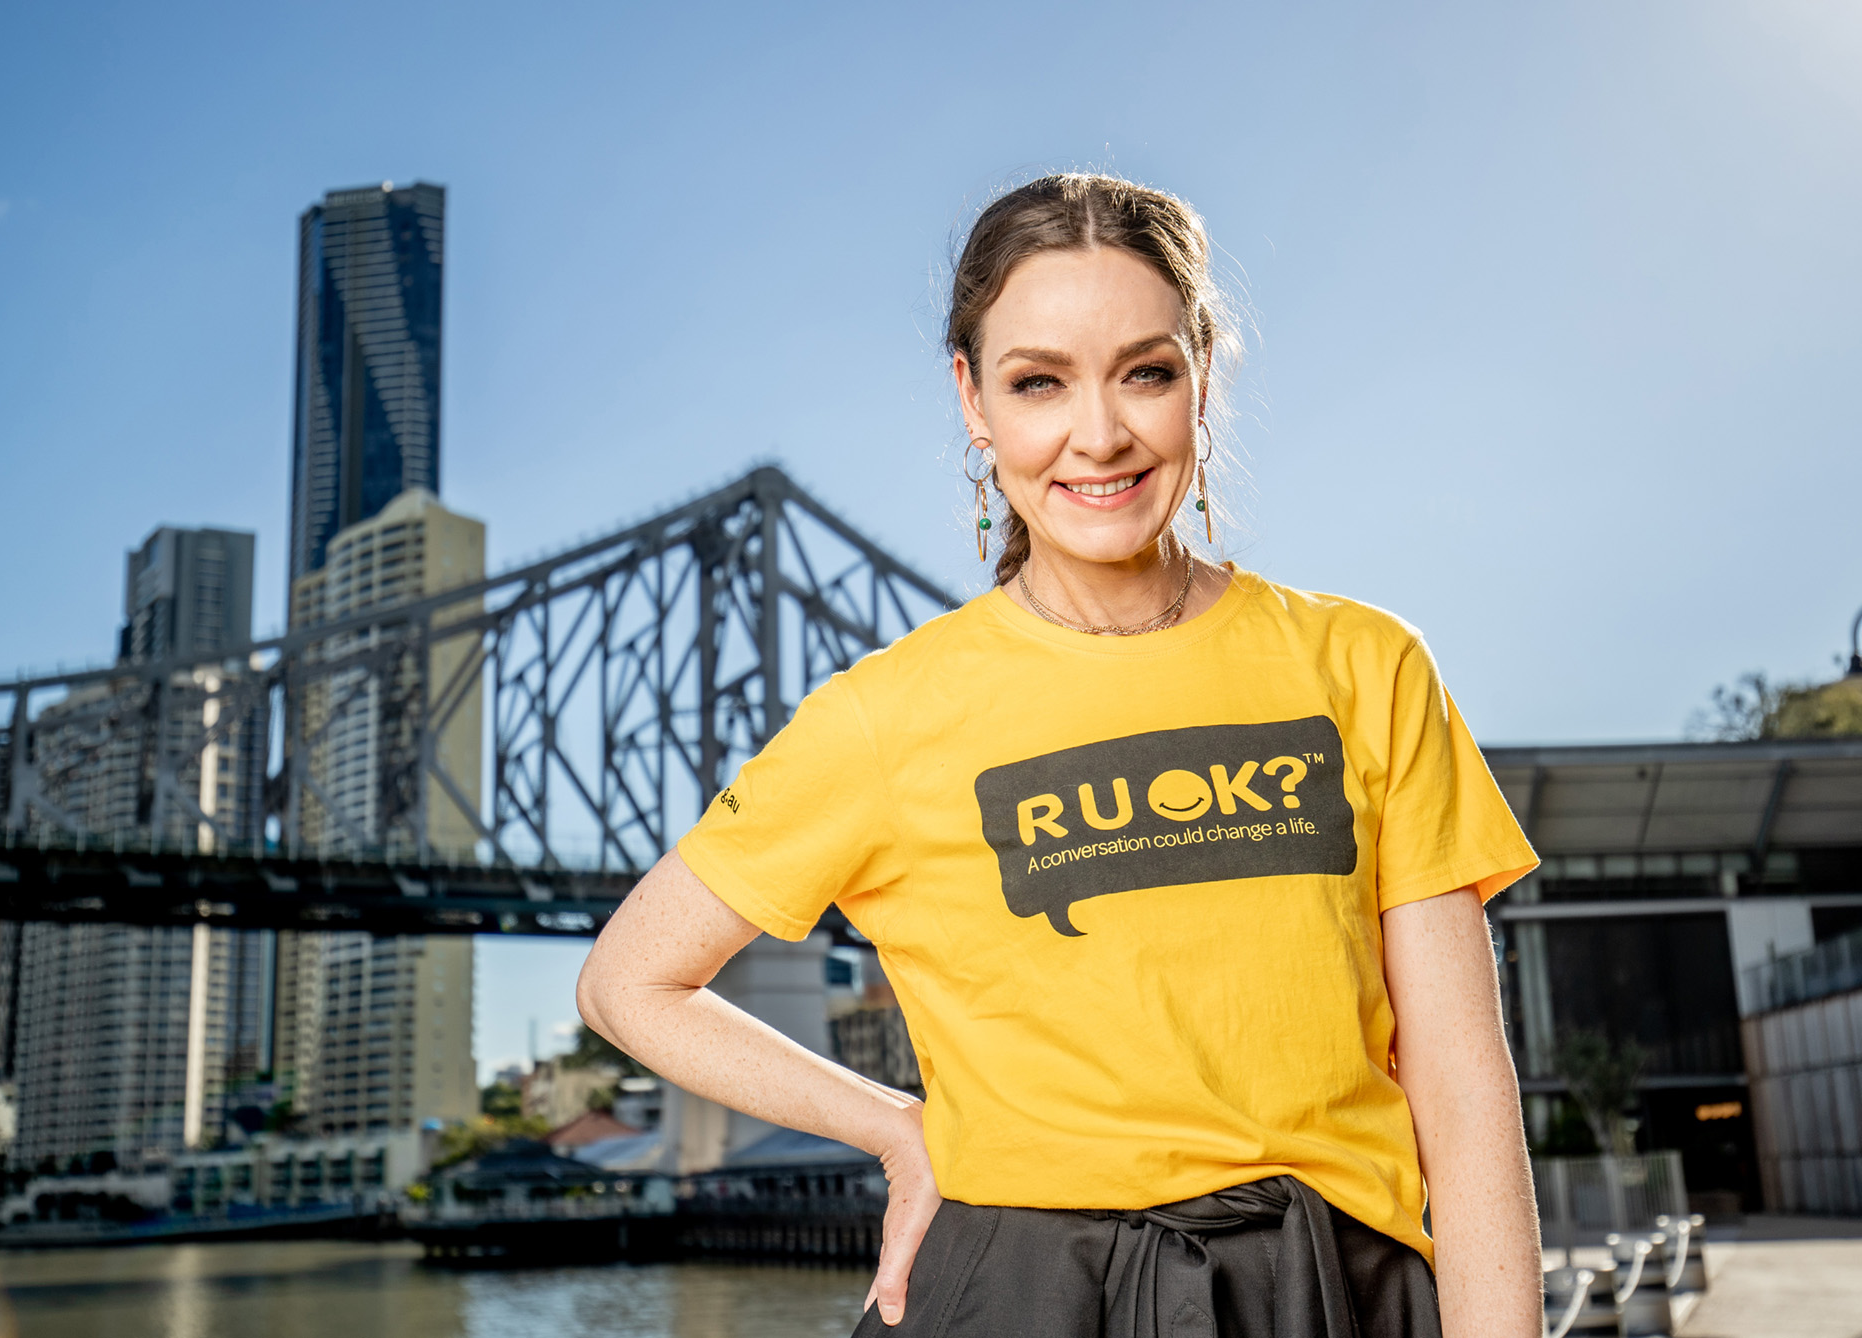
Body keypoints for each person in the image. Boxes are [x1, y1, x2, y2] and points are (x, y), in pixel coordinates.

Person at [577, 172, 1542, 1337]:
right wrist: (896, 1126)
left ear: (1202, 374)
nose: (1098, 435)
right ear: (972, 402)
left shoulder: (1365, 667)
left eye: (1145, 371)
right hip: (1018, 1294)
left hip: (1330, 1292)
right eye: (1038, 382)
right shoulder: (887, 716)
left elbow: (1463, 1091)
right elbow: (627, 983)